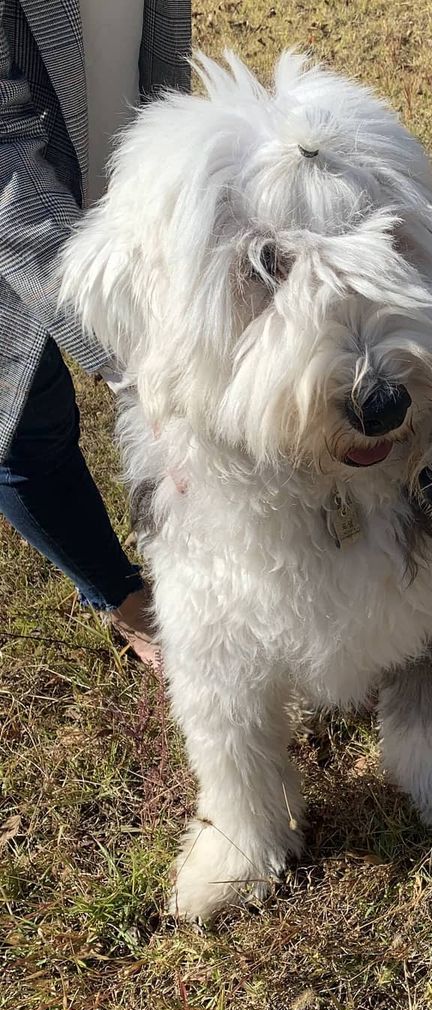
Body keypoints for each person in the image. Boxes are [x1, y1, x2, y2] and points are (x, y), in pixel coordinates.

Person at [0, 2, 191, 666]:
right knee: (28, 429)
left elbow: (164, 71)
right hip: (14, 215)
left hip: (120, 202)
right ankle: (126, 601)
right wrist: (139, 366)